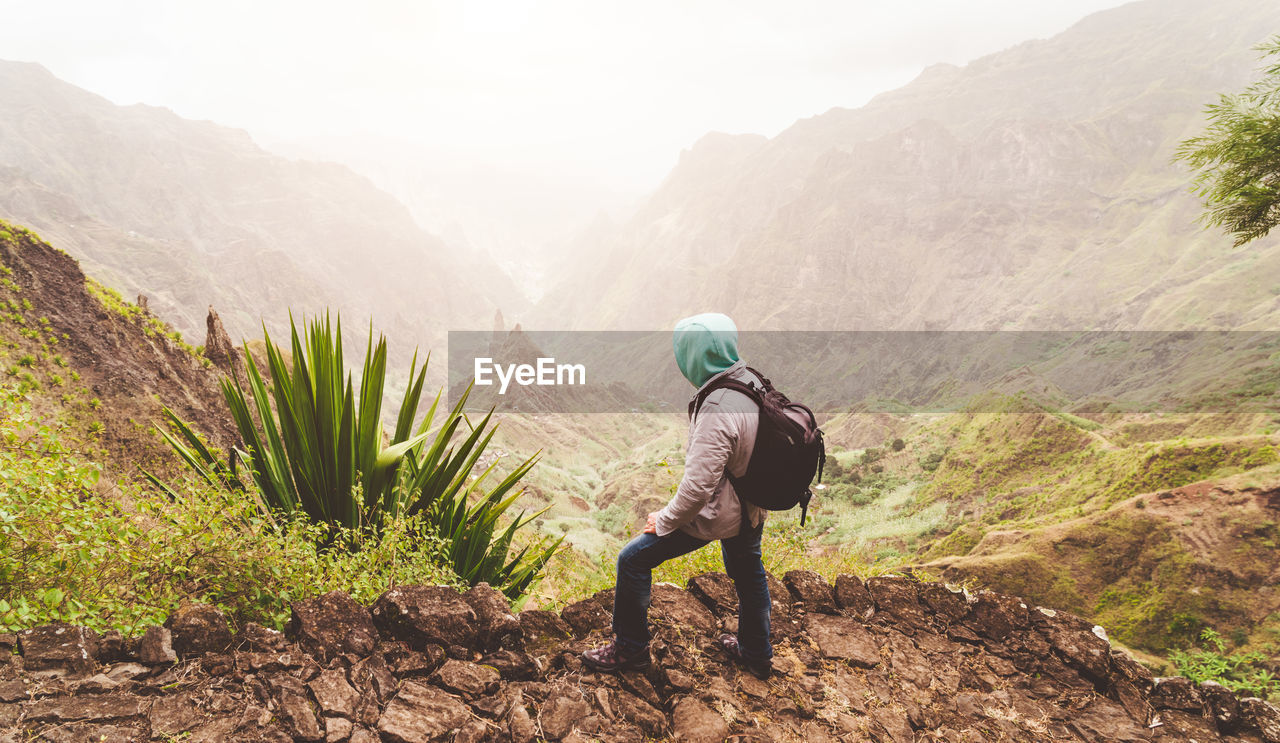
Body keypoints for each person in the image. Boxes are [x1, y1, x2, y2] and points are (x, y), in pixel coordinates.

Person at [581, 312, 772, 679]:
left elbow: (698, 489)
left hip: (721, 511)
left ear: (694, 357)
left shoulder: (717, 408)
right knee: (749, 574)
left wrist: (664, 519)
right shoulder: (751, 380)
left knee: (632, 560)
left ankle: (630, 649)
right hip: (752, 505)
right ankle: (756, 653)